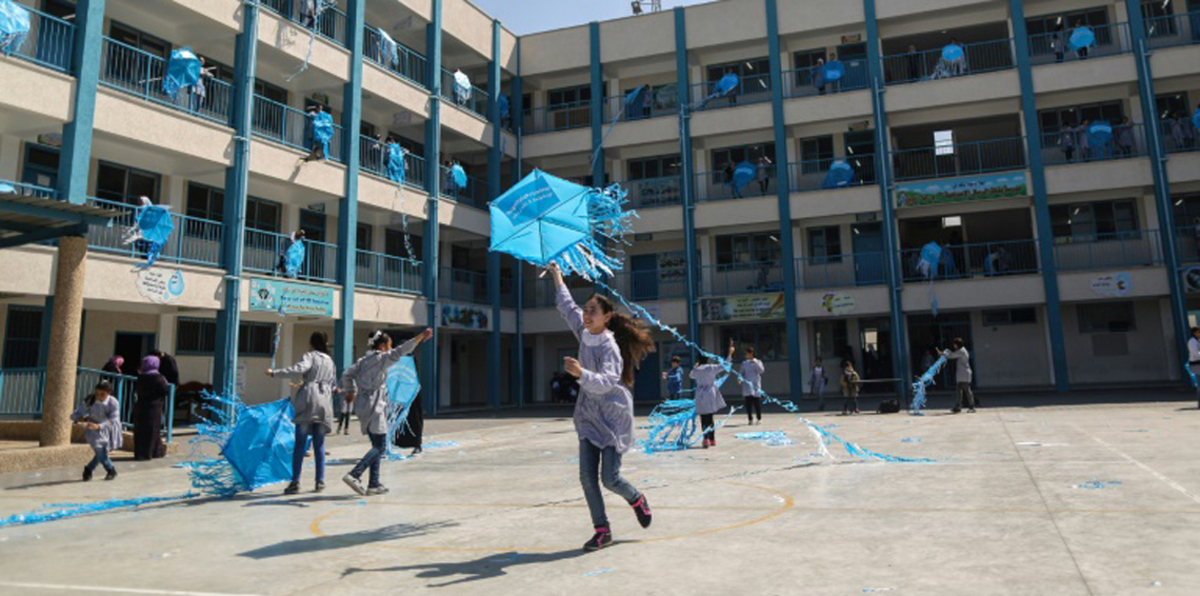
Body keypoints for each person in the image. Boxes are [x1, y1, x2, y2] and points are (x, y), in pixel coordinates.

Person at [547, 262, 654, 552]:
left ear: (607, 317)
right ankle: (602, 530)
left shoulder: (609, 346)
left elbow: (607, 381)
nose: (585, 313)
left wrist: (581, 373)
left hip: (612, 416)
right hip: (588, 415)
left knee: (610, 478)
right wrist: (557, 275)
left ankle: (636, 498)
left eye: (592, 310)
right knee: (586, 476)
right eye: (586, 309)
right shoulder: (583, 333)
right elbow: (566, 305)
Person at [340, 327, 434, 496]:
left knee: (376, 444)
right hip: (374, 404)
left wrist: (350, 391)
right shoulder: (382, 358)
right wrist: (421, 336)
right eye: (389, 345)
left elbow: (347, 374)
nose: (390, 349)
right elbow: (401, 351)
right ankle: (355, 474)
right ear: (383, 346)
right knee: (381, 446)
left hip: (362, 405)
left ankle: (373, 484)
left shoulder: (362, 361)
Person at [268, 331, 337, 495]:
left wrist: (274, 373)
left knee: (300, 443)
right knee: (319, 443)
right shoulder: (330, 361)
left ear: (311, 343)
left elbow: (298, 369)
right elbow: (332, 384)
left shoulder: (310, 356)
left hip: (308, 401)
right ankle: (320, 481)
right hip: (324, 402)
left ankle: (295, 481)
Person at [71, 381, 121, 481]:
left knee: (102, 452)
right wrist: (79, 418)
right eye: (97, 394)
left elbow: (113, 420)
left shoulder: (113, 402)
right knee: (99, 448)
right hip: (93, 431)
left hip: (108, 429)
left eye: (102, 394)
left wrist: (99, 426)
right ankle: (110, 469)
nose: (99, 397)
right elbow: (77, 413)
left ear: (109, 393)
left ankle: (89, 469)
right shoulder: (90, 400)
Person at [691, 342, 735, 448]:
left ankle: (705, 438)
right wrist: (730, 354)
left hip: (700, 393)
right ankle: (712, 439)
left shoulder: (697, 369)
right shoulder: (711, 368)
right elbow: (725, 365)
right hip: (710, 392)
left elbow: (691, 375)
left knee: (703, 417)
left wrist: (696, 365)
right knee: (710, 417)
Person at [133, 355, 169, 460]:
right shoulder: (157, 378)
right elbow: (165, 390)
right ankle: (149, 453)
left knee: (140, 430)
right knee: (152, 430)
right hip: (154, 407)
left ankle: (147, 452)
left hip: (140, 406)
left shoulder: (141, 376)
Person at [942, 338, 975, 413]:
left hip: (964, 373)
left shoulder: (962, 351)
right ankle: (958, 406)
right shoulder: (961, 351)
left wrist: (945, 353)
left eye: (954, 344)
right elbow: (953, 354)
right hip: (961, 374)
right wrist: (947, 352)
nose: (954, 345)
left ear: (957, 344)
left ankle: (971, 406)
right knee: (959, 391)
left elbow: (951, 356)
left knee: (967, 390)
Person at [739, 347, 765, 426]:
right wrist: (739, 379)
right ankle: (750, 419)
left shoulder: (758, 362)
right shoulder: (744, 363)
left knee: (757, 403)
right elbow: (741, 373)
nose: (746, 355)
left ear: (751, 354)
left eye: (747, 353)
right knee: (748, 404)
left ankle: (758, 418)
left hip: (755, 385)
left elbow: (761, 371)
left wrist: (755, 363)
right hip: (747, 385)